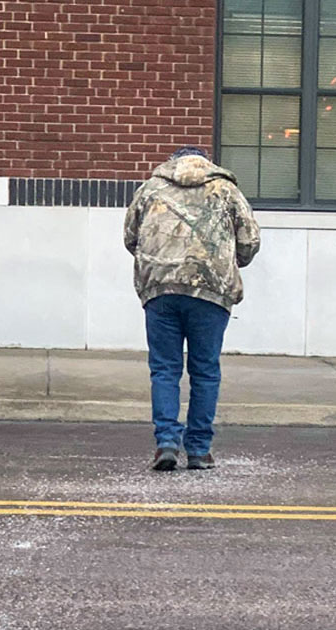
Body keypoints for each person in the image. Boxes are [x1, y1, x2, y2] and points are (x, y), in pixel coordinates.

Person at [123, 147, 261, 471]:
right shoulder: (225, 189)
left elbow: (131, 237)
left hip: (161, 290)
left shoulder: (151, 189)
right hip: (210, 291)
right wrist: (229, 260)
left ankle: (166, 443)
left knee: (165, 368)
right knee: (205, 370)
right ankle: (199, 450)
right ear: (206, 163)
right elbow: (250, 240)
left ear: (172, 163)